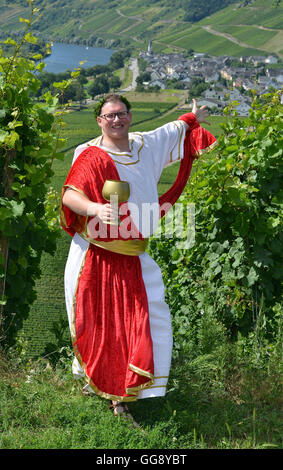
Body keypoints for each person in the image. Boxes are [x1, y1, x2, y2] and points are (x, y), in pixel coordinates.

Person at [60, 93, 216, 417]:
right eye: (109, 116)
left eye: (121, 114)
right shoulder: (89, 155)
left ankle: (129, 388)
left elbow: (172, 131)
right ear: (100, 121)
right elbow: (71, 196)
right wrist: (94, 209)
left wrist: (192, 120)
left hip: (134, 254)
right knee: (107, 328)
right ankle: (118, 399)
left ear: (129, 116)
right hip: (98, 254)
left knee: (150, 319)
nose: (116, 120)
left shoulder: (144, 145)